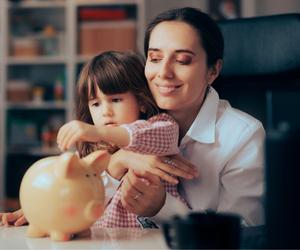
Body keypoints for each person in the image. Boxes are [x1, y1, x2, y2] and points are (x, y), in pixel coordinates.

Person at [106, 7, 265, 227]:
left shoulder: (243, 135)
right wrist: (117, 162)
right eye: (155, 58)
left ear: (213, 71)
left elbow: (243, 234)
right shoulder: (129, 117)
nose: (164, 72)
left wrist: (163, 208)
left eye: (182, 60)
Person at [0, 50, 197, 227]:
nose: (105, 112)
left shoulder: (160, 126)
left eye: (116, 100)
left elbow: (144, 135)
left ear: (142, 102)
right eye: (96, 104)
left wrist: (100, 133)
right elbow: (73, 193)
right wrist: (36, 211)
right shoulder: (90, 149)